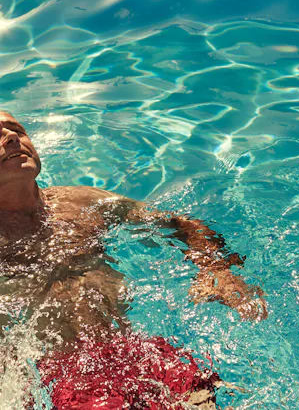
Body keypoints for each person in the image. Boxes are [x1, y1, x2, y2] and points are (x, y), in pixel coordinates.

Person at [0, 110, 267, 408]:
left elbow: (181, 225)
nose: (11, 138)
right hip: (68, 377)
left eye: (16, 130)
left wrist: (217, 270)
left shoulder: (80, 202)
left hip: (139, 352)